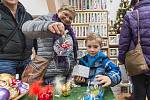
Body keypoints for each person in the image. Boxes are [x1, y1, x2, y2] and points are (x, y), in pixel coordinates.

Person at [22, 5, 78, 84]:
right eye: (65, 14)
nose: (67, 18)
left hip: (63, 77)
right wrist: (47, 25)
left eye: (70, 18)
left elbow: (70, 54)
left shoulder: (69, 31)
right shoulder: (46, 19)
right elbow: (26, 27)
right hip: (47, 76)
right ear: (59, 11)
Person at [118, 0, 150, 100]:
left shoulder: (131, 16)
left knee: (138, 94)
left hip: (138, 64)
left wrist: (121, 59)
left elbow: (124, 41)